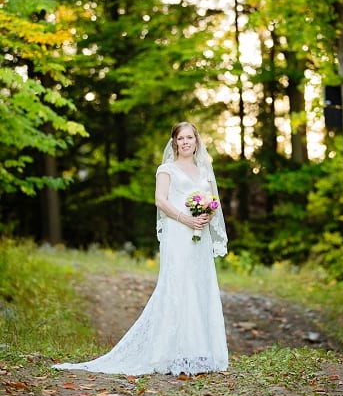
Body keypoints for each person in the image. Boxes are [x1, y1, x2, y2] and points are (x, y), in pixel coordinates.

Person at [56, 120, 230, 376]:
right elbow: (160, 200)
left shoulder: (205, 170)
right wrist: (186, 218)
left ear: (197, 142)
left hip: (199, 236)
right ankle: (170, 353)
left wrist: (206, 216)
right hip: (178, 233)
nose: (185, 142)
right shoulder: (166, 169)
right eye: (180, 138)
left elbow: (213, 202)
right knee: (178, 286)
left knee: (199, 286)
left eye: (189, 138)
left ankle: (199, 351)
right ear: (174, 142)